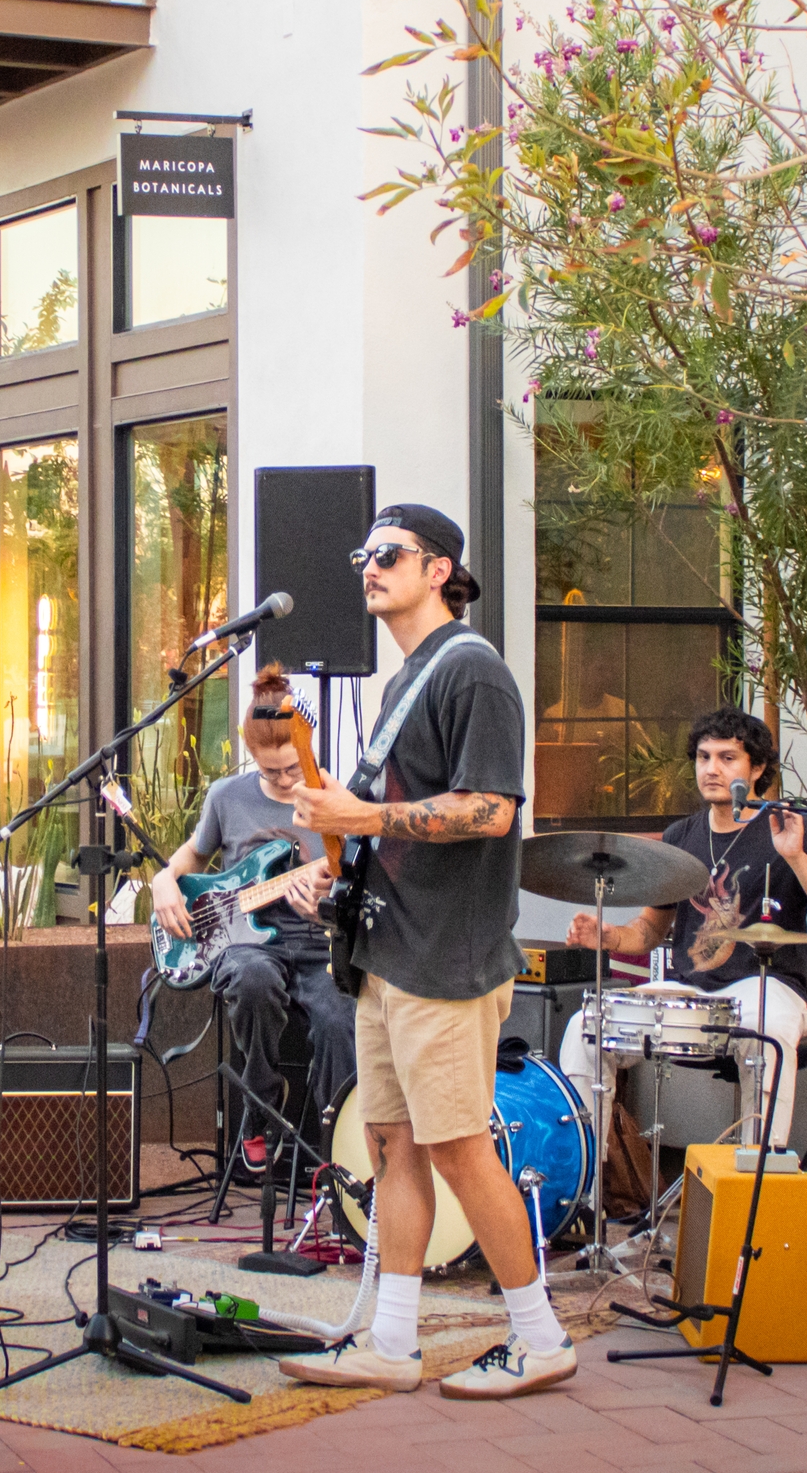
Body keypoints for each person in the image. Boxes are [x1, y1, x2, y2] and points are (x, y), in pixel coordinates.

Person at [278, 503, 577, 1401]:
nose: (370, 566)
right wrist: (339, 869)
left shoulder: (473, 673)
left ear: (440, 568)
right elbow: (392, 823)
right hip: (386, 949)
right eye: (362, 552)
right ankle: (392, 1343)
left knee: (458, 1149)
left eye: (391, 553)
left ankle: (540, 1337)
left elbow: (494, 809)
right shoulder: (405, 678)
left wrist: (362, 817)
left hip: (445, 957)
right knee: (391, 1145)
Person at [561, 707, 807, 1152]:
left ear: (757, 768)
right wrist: (608, 937)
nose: (711, 769)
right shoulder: (682, 836)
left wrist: (797, 857)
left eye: (727, 758)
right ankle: (585, 1175)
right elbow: (649, 930)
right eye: (704, 757)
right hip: (690, 994)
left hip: (765, 989)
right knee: (586, 1026)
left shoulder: (793, 828)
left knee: (767, 1026)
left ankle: (758, 1177)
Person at [149, 664, 352, 1174]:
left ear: (306, 744)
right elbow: (191, 860)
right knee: (252, 977)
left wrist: (329, 892)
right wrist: (161, 883)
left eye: (291, 769)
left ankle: (339, 1148)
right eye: (271, 772)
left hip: (317, 943)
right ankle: (262, 1102)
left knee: (337, 1019)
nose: (285, 781)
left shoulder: (335, 795)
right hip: (247, 942)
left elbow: (360, 873)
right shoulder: (227, 797)